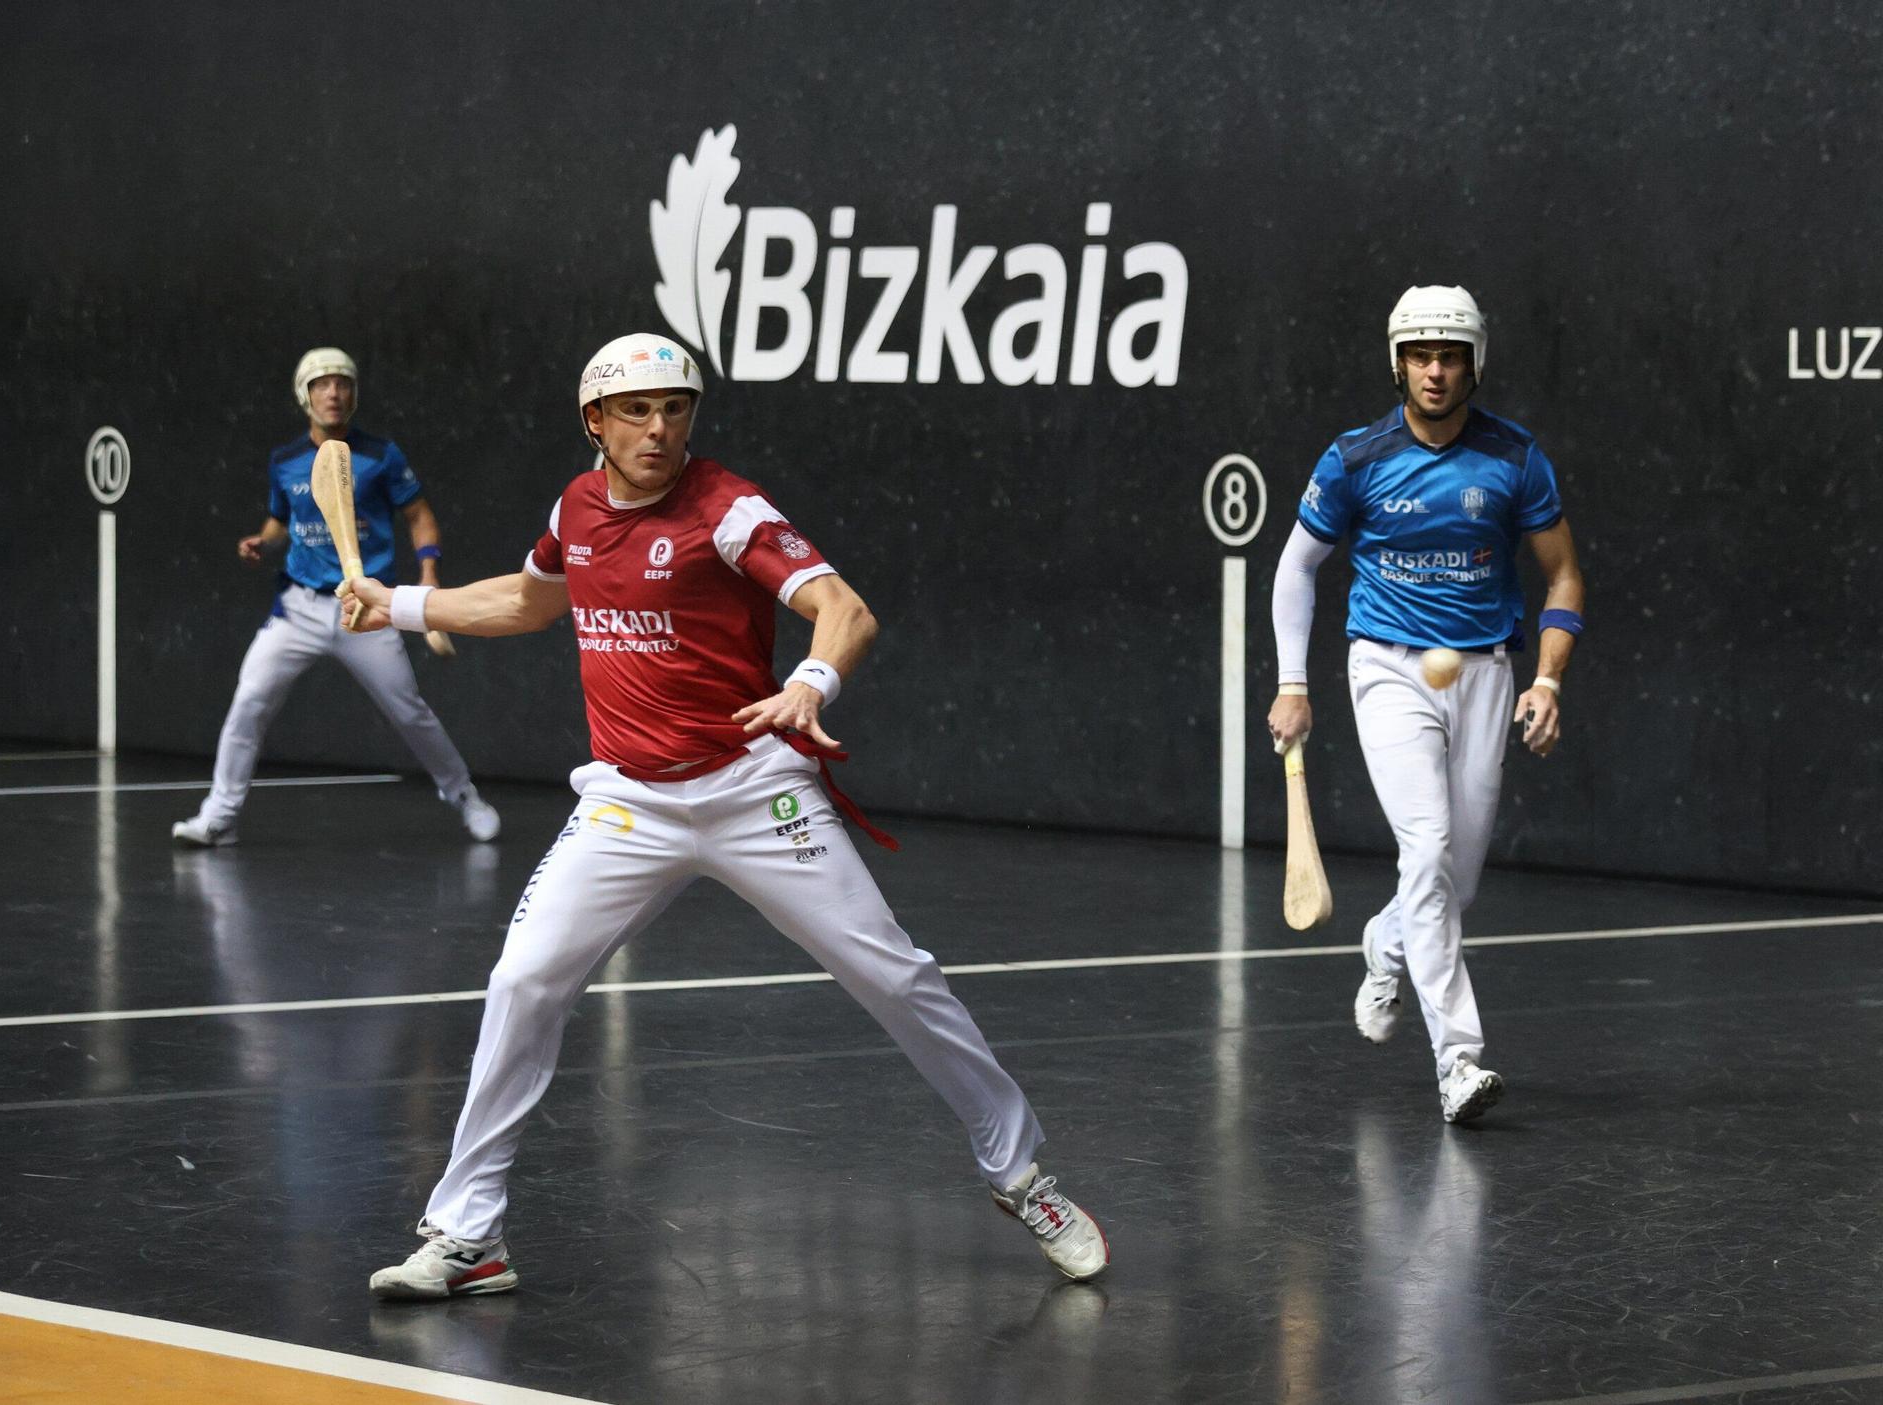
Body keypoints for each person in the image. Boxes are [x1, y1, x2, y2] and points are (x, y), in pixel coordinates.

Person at [347, 332, 1107, 1298]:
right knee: (523, 980)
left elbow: (846, 609)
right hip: (628, 799)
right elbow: (531, 602)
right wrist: (403, 606)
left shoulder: (728, 509)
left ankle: (1022, 1174)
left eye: (675, 408)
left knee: (896, 975)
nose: (659, 427)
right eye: (636, 410)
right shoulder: (575, 509)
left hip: (755, 786)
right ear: (596, 423)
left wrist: (811, 681)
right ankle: (468, 1235)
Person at [1266, 286, 1586, 1124]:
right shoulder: (1355, 458)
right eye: (1419, 355)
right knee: (1430, 844)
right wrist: (1293, 683)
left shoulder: (1516, 459)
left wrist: (1547, 678)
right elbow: (1297, 567)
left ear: (1473, 363)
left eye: (1449, 355)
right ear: (1397, 361)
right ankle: (1459, 1060)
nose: (1434, 370)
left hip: (1485, 673)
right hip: (1388, 669)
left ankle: (1387, 939)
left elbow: (1562, 576)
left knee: (1454, 879)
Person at [171, 347, 499, 847]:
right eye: (321, 384)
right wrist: (266, 540)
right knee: (249, 702)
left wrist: (428, 570)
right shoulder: (284, 461)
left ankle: (465, 798)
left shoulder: (381, 456)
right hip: (298, 608)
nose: (333, 392)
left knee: (408, 709)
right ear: (304, 396)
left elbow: (419, 516)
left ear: (354, 393)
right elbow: (281, 519)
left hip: (367, 607)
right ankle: (220, 815)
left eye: (343, 383)